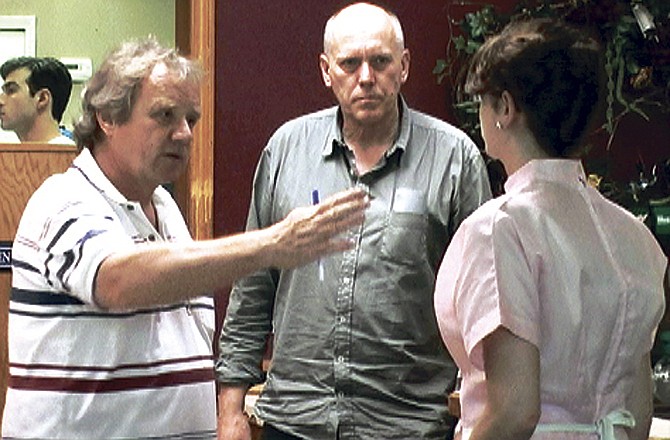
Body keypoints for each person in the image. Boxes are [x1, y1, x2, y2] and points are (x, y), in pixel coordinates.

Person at [2, 38, 368, 440]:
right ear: (107, 116)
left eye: (190, 119)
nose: (184, 133)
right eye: (164, 116)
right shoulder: (64, 200)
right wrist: (274, 244)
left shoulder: (163, 206)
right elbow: (118, 281)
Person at [216, 3, 491, 439]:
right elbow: (253, 286)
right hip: (295, 421)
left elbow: (482, 304)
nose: (366, 77)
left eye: (380, 61)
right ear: (327, 71)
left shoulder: (454, 159)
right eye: (349, 63)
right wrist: (231, 409)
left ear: (404, 66)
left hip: (405, 425)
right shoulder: (287, 150)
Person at [434, 18, 669, 440]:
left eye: (483, 103)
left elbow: (516, 411)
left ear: (505, 108)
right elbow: (637, 412)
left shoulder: (500, 229)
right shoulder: (637, 238)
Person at [0, 56, 74, 144]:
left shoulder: (72, 156)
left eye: (11, 90)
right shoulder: (10, 155)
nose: (1, 101)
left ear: (42, 99)